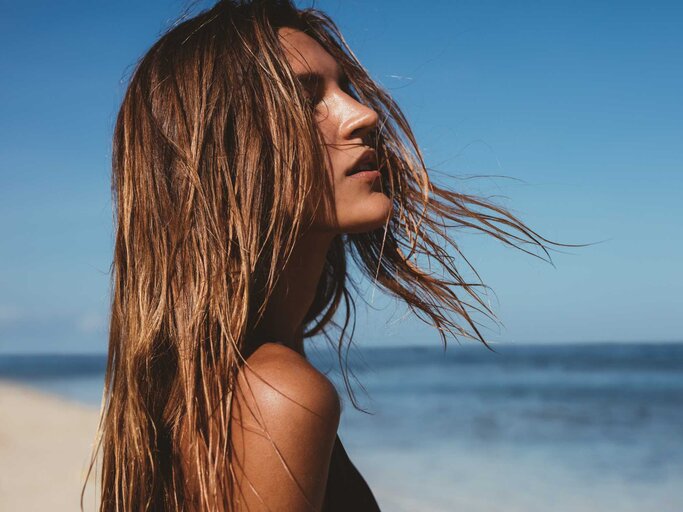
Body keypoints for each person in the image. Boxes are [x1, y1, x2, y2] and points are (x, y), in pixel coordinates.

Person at [85, 1, 555, 510]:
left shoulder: (210, 384)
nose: (364, 114)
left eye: (344, 89)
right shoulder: (276, 394)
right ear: (223, 151)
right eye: (306, 99)